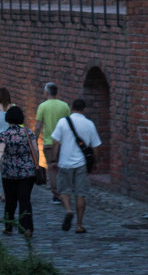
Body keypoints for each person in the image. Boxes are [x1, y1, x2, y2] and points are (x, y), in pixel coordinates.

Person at [49, 97, 101, 234]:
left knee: (64, 190)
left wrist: (54, 159)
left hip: (65, 162)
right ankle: (79, 225)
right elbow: (95, 146)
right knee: (80, 194)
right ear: (84, 110)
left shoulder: (62, 122)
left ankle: (68, 209)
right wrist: (95, 162)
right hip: (81, 163)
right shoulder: (89, 124)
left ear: (72, 108)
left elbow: (55, 143)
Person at [0, 105, 36, 236]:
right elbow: (35, 149)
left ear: (8, 119)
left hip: (9, 172)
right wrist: (36, 163)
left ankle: (9, 227)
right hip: (27, 171)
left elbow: (0, 150)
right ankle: (27, 227)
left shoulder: (5, 134)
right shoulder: (29, 133)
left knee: (10, 201)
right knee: (25, 199)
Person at [35, 82, 70, 202]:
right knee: (62, 168)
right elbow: (68, 124)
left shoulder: (43, 106)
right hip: (63, 143)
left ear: (46, 92)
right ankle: (64, 192)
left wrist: (34, 139)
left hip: (49, 142)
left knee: (52, 168)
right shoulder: (64, 106)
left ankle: (56, 194)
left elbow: (38, 125)